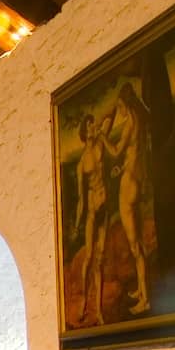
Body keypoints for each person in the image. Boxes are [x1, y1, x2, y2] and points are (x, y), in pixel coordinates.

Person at [103, 81, 154, 315]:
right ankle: (143, 291)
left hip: (128, 186)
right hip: (137, 178)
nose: (119, 110)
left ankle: (146, 299)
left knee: (135, 246)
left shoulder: (128, 123)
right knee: (139, 244)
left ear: (124, 103)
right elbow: (134, 155)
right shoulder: (140, 120)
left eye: (119, 105)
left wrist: (102, 138)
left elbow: (116, 152)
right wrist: (120, 170)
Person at [72, 114, 111, 327]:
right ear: (84, 133)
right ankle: (84, 302)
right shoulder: (81, 164)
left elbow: (109, 118)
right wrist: (78, 224)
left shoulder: (101, 147)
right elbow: (80, 199)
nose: (93, 127)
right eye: (89, 126)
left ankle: (99, 309)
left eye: (93, 124)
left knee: (100, 259)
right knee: (89, 257)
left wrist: (101, 131)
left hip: (104, 203)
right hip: (92, 210)